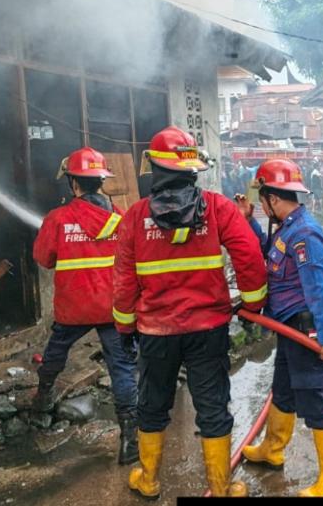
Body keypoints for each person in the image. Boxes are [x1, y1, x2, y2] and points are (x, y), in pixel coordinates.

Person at [112, 126, 267, 499]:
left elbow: (123, 280)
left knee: (153, 405)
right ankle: (221, 487)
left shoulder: (135, 217)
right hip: (208, 328)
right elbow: (248, 256)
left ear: (154, 167)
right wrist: (252, 303)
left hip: (155, 332)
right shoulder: (217, 208)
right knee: (212, 405)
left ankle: (148, 481)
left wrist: (125, 325)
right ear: (192, 167)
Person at [235, 159, 323, 498]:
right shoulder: (286, 227)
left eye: (263, 199)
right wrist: (250, 224)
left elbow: (318, 287)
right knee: (282, 390)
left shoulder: (305, 233)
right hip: (285, 327)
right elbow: (269, 257)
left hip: (303, 328)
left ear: (272, 197)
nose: (262, 205)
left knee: (312, 399)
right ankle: (272, 450)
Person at [32, 147, 139, 465]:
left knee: (55, 353)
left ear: (74, 184)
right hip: (113, 308)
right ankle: (129, 442)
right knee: (122, 369)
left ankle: (42, 400)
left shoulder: (58, 219)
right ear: (101, 182)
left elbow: (44, 259)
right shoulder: (120, 217)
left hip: (73, 308)